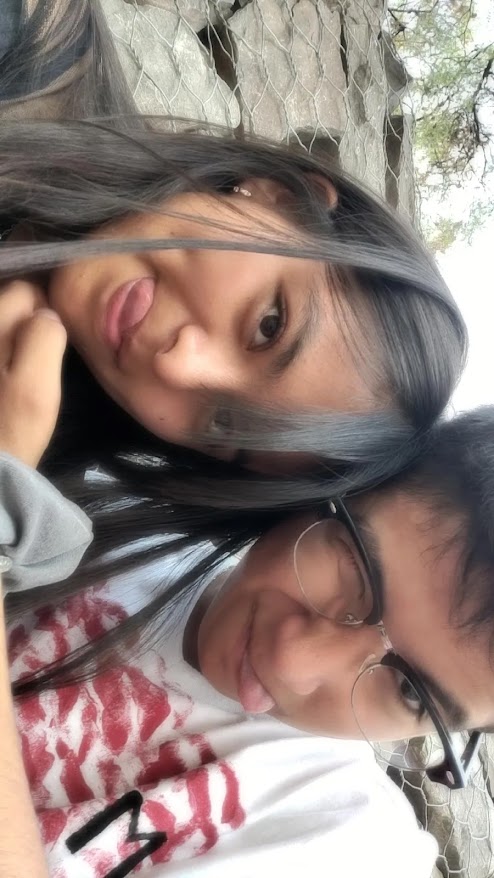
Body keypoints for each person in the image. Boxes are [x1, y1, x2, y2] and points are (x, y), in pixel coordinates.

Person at [0, 0, 467, 611]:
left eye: (221, 428)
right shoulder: (38, 43)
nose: (179, 365)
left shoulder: (35, 451)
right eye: (269, 325)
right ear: (281, 200)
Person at [7, 404, 494, 877]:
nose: (292, 663)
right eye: (355, 569)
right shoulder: (120, 490)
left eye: (411, 692)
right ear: (337, 485)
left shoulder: (342, 839)